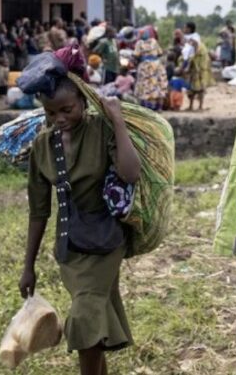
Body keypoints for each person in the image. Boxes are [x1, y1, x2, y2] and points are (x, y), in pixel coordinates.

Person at [20, 64, 141, 375]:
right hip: (70, 250)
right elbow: (38, 211)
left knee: (84, 318)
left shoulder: (101, 130)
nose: (59, 119)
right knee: (94, 324)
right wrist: (28, 267)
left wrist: (117, 120)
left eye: (67, 109)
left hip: (105, 243)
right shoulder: (42, 146)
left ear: (84, 100)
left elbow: (131, 173)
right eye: (51, 113)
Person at [132, 26, 168, 110]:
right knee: (159, 84)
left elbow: (136, 55)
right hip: (157, 65)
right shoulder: (154, 41)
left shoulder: (139, 43)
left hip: (145, 66)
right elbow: (160, 53)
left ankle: (146, 107)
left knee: (145, 85)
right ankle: (159, 107)